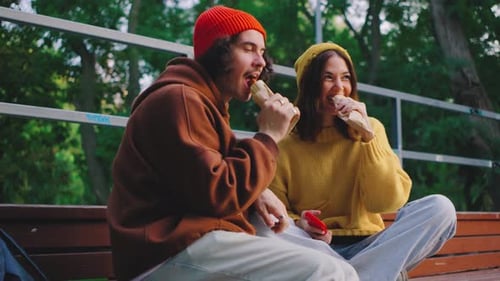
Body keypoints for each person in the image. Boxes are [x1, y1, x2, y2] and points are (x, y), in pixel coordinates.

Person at [107, 6, 358, 281]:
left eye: (262, 52)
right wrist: (268, 137)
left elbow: (201, 183)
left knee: (339, 266)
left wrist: (266, 203)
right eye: (248, 48)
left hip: (192, 242)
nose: (261, 62)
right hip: (162, 254)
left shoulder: (205, 104)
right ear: (218, 52)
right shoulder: (179, 99)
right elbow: (217, 193)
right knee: (327, 272)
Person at [266, 42, 457, 281]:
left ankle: (356, 275)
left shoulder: (372, 129)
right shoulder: (285, 142)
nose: (339, 87)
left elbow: (387, 202)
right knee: (269, 230)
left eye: (345, 78)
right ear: (308, 84)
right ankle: (377, 273)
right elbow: (274, 213)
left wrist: (367, 136)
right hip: (317, 250)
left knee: (441, 208)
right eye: (328, 77)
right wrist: (300, 223)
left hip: (371, 246)